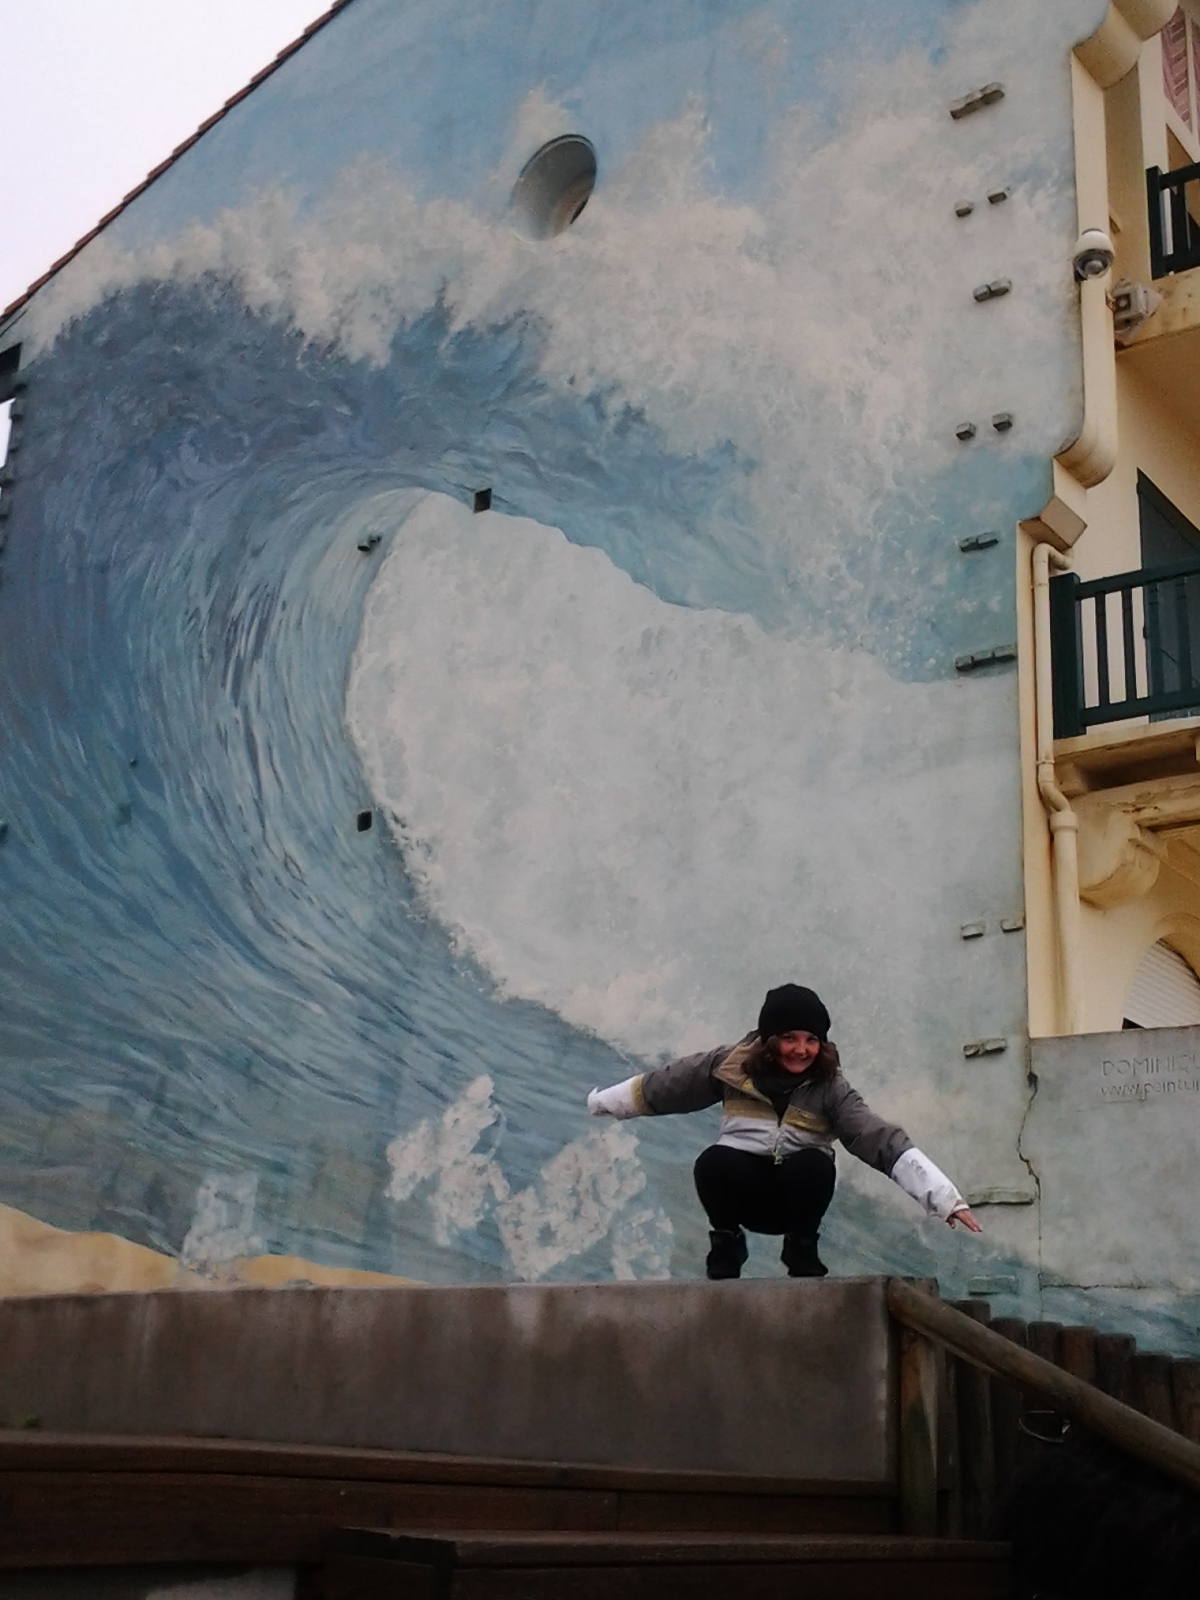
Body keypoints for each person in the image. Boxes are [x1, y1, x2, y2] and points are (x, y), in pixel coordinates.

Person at [588, 983, 981, 1279]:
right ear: (769, 1039)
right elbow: (667, 1085)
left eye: (811, 1040)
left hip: (794, 1202)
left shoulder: (831, 1088)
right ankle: (726, 1243)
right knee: (713, 1161)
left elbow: (878, 1138)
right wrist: (604, 1103)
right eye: (789, 1038)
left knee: (815, 1165)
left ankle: (801, 1248)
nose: (801, 1050)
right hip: (744, 1194)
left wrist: (944, 1198)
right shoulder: (728, 1066)